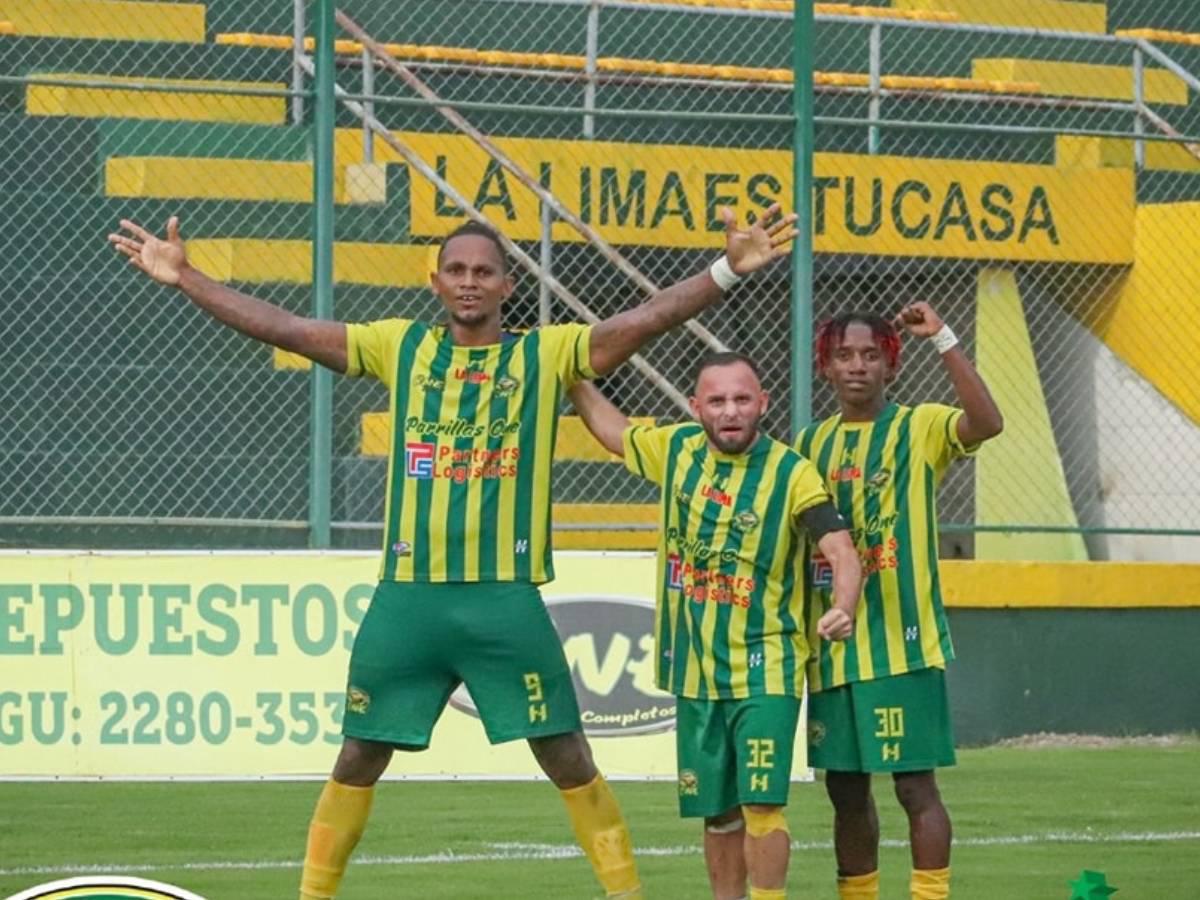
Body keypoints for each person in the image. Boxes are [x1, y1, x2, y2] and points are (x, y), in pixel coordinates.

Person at [107, 206, 797, 900]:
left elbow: (639, 323)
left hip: (503, 598)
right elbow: (286, 328)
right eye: (458, 271)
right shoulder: (397, 346)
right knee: (358, 754)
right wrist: (186, 277)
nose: (470, 282)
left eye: (485, 272)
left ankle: (628, 896)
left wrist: (726, 270)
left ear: (507, 286)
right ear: (435, 281)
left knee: (568, 755)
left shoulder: (544, 354)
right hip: (409, 598)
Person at [568, 351, 862, 900]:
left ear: (763, 404)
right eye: (719, 401)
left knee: (762, 803)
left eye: (743, 399)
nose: (731, 411)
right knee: (719, 813)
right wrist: (570, 373)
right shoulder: (674, 449)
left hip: (765, 663)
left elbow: (841, 549)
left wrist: (844, 603)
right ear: (695, 406)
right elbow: (614, 432)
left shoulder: (790, 473)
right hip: (696, 670)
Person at [795, 304, 1004, 900]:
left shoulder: (921, 427)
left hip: (902, 646)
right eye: (843, 355)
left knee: (915, 788)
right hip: (834, 648)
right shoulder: (811, 443)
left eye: (869, 354)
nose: (857, 366)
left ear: (890, 364)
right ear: (826, 368)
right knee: (845, 791)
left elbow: (987, 423)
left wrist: (943, 337)